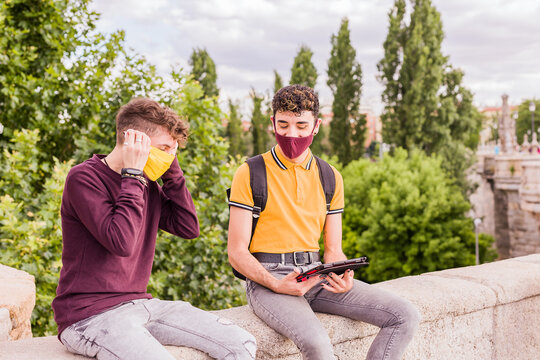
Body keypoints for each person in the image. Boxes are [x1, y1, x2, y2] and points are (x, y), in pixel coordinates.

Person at [52, 98, 256, 360]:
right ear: (132, 140)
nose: (169, 156)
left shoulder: (145, 184)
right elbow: (121, 242)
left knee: (241, 343)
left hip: (142, 304)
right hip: (88, 316)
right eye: (163, 148)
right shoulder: (84, 178)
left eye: (173, 151)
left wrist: (172, 174)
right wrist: (133, 174)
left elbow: (188, 226)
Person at [227, 85, 420, 359]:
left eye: (301, 125)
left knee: (404, 315)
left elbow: (333, 249)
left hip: (317, 274)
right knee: (318, 342)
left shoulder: (330, 176)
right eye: (283, 125)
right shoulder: (250, 172)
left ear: (316, 126)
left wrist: (342, 274)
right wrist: (276, 283)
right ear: (272, 123)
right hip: (270, 278)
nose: (291, 134)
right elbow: (236, 252)